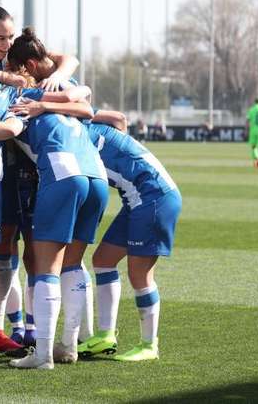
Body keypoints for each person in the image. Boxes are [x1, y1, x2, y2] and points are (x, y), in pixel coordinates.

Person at [0, 5, 80, 354]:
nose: (7, 44)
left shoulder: (17, 58)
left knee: (25, 245)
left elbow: (66, 59)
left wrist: (61, 74)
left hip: (17, 164)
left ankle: (18, 326)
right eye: (1, 37)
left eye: (11, 37)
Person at [3, 28, 108, 369]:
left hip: (64, 173)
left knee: (47, 265)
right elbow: (87, 103)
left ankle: (43, 355)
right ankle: (70, 345)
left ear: (25, 67)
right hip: (97, 175)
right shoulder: (62, 85)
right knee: (73, 264)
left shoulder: (20, 96)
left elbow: (5, 129)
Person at [78, 110, 182, 362]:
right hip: (137, 199)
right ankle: (105, 335)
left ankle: (149, 345)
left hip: (154, 197)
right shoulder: (86, 125)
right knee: (103, 260)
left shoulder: (78, 136)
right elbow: (119, 118)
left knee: (140, 274)